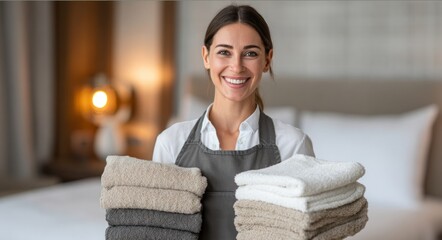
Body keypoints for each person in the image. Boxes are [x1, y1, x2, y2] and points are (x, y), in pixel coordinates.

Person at [153, 4, 314, 240]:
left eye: (250, 53)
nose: (236, 66)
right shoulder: (171, 143)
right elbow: (158, 230)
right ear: (206, 57)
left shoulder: (293, 145)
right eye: (224, 52)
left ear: (267, 60)